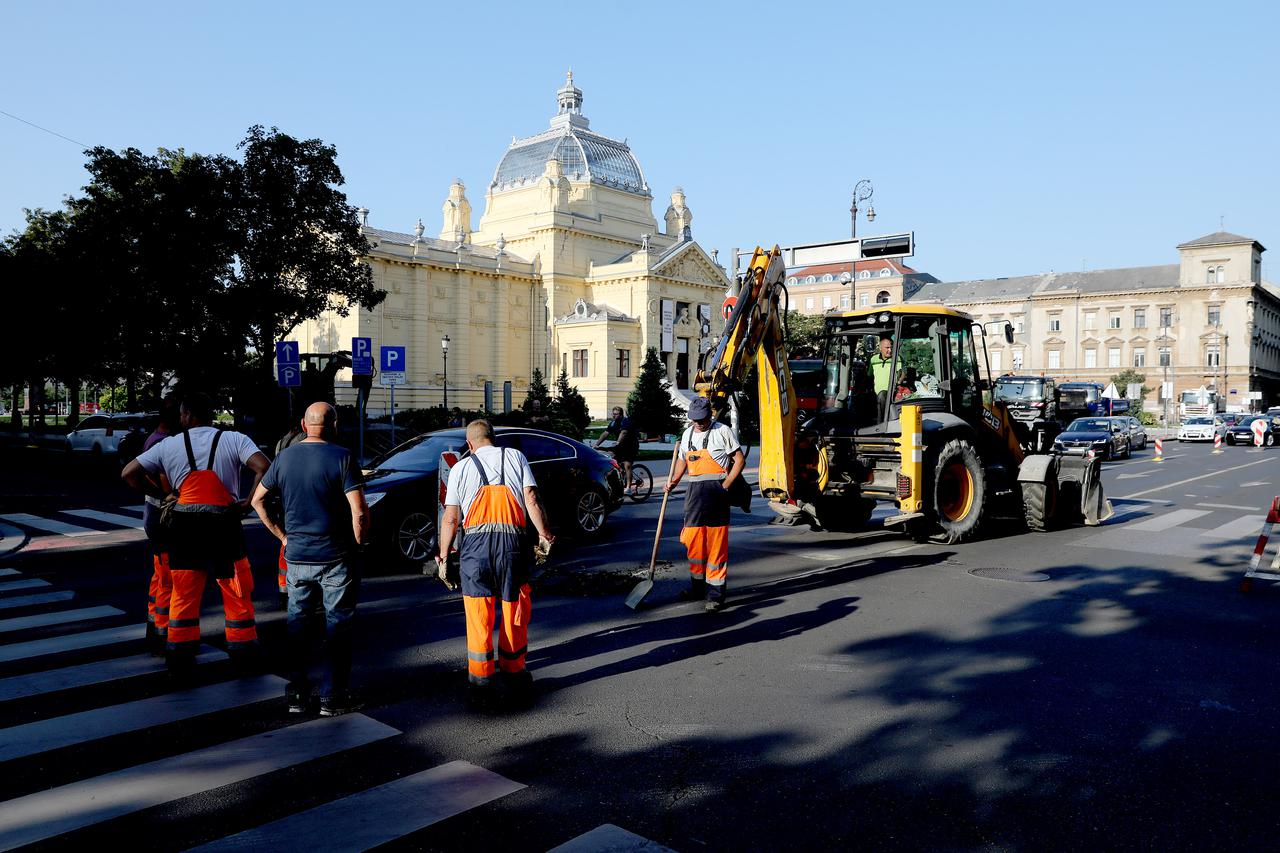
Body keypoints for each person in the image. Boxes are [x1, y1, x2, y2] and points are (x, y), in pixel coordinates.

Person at [122, 393, 270, 676]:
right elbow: (264, 467)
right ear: (211, 414)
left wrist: (164, 494)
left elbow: (129, 473)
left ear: (187, 415)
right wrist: (249, 501)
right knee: (235, 588)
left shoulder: (169, 445)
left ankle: (180, 653)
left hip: (184, 526)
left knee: (184, 591)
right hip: (224, 525)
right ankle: (243, 652)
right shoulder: (234, 439)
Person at [252, 403, 369, 717]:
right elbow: (358, 511)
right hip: (335, 556)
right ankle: (333, 697)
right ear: (334, 424)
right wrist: (359, 545)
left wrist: (282, 536)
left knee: (298, 628)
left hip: (297, 557)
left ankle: (297, 696)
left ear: (304, 424)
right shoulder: (342, 457)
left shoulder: (284, 458)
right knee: (337, 627)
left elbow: (257, 500)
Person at [436, 420, 553, 706]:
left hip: (474, 549)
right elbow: (532, 499)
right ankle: (514, 673)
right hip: (513, 545)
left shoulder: (461, 467)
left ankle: (482, 682)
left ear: (471, 444)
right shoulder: (515, 457)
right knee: (514, 608)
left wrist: (444, 556)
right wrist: (544, 535)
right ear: (493, 438)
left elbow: (451, 517)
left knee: (478, 614)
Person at [664, 396, 746, 612]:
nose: (699, 423)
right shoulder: (688, 433)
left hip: (716, 494)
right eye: (695, 420)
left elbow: (738, 459)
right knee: (693, 542)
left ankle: (716, 595)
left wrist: (726, 484)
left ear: (710, 415)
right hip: (694, 494)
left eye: (702, 419)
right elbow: (683, 459)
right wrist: (674, 481)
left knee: (716, 545)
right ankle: (697, 588)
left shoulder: (722, 431)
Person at [141, 393, 181, 655]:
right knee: (168, 579)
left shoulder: (152, 439)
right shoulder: (164, 444)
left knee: (159, 577)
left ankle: (154, 626)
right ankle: (163, 632)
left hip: (152, 518)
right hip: (163, 519)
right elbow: (166, 483)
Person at [594, 406, 639, 494]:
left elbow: (624, 432)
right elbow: (605, 434)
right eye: (613, 414)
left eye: (616, 414)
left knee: (627, 465)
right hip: (620, 446)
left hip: (631, 446)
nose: (614, 416)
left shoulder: (625, 421)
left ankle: (629, 488)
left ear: (621, 415)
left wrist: (618, 442)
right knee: (613, 462)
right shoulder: (613, 423)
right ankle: (619, 482)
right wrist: (597, 444)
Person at [869, 334, 894, 414]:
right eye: (887, 348)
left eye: (891, 347)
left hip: (892, 394)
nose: (890, 350)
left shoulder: (897, 359)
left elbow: (901, 373)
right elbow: (870, 375)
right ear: (880, 348)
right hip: (876, 395)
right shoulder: (873, 359)